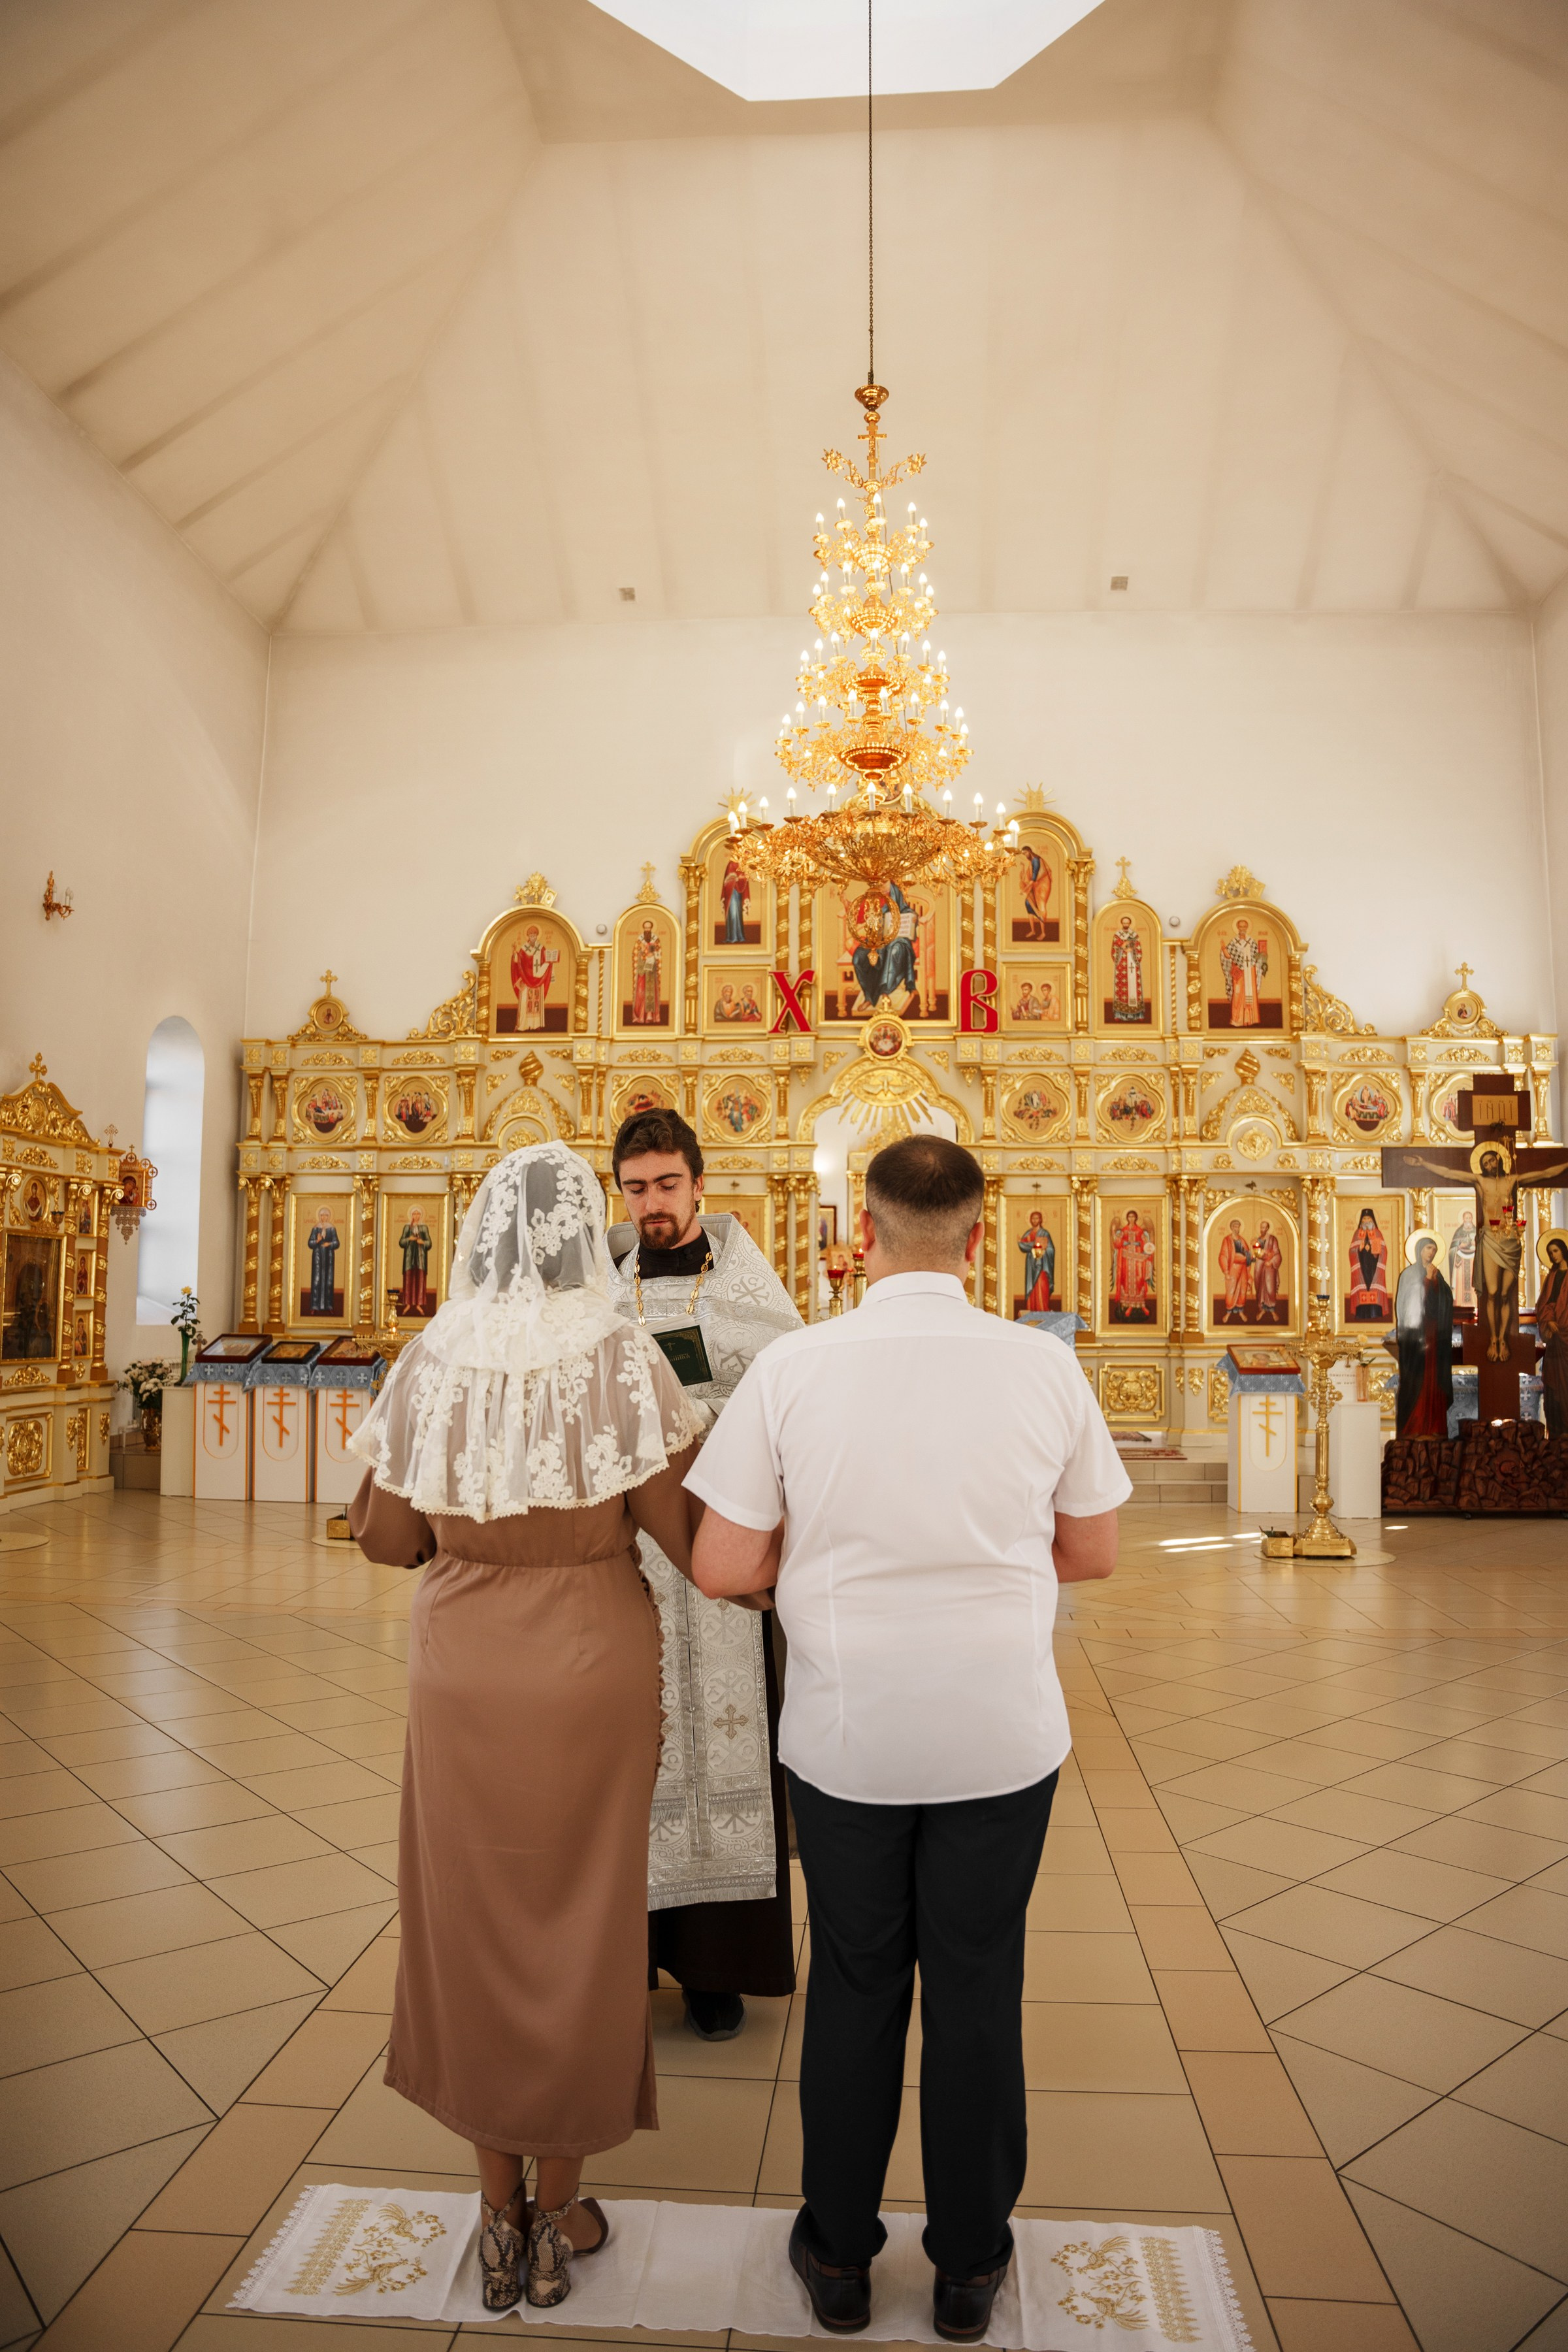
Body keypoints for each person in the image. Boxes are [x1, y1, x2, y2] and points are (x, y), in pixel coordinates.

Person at [687, 1135, 1130, 2344]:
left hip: (849, 1736)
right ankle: (971, 2268)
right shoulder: (1041, 1369)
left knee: (858, 1982)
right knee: (980, 1985)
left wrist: (817, 1583)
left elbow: (724, 1561)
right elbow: (1089, 1551)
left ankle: (837, 2255)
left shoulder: (798, 1368)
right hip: (999, 1730)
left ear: (864, 1237)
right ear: (982, 1240)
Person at [346, 1143, 704, 2314]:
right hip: (591, 1664)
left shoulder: (431, 1357)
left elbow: (387, 1541)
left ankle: (496, 2218)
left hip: (464, 1674)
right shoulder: (622, 1358)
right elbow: (690, 1541)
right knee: (587, 1925)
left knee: (470, 1924)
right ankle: (561, 2217)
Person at [606, 1109, 800, 2042]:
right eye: (636, 1188)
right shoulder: (600, 1294)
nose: (652, 1204)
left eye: (667, 1185)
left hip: (720, 1553)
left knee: (728, 1748)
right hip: (624, 1558)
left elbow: (786, 1404)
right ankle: (628, 1956)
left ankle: (716, 1968)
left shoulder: (752, 1290)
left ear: (698, 1184)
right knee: (628, 1754)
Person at [1394, 1233, 1454, 1437]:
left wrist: (1432, 1281)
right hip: (1414, 1340)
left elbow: (1443, 1302)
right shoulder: (1408, 1275)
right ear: (1420, 1250)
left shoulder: (1437, 1275)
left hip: (1434, 1338)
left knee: (1433, 1381)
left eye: (1435, 1250)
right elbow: (1404, 1308)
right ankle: (1413, 1428)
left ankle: (1434, 1429)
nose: (1432, 1253)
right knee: (1414, 1381)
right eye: (1429, 1248)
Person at [1536, 1233, 1568, 1440]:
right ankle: (1558, 1430)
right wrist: (1549, 1321)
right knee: (1555, 1385)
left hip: (1566, 1334)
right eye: (1550, 1253)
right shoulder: (1553, 1276)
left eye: (1555, 1251)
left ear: (1564, 1251)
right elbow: (1544, 1304)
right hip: (1556, 1339)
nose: (1553, 1256)